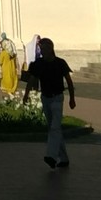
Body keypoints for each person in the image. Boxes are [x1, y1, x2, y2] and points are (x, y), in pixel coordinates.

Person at [21, 37, 75, 168]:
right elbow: (32, 80)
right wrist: (26, 95)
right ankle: (64, 158)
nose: (42, 50)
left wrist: (72, 98)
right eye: (41, 48)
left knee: (55, 127)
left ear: (51, 48)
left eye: (45, 48)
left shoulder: (60, 63)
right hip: (45, 98)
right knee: (53, 128)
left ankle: (51, 156)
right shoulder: (38, 64)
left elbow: (69, 81)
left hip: (57, 97)